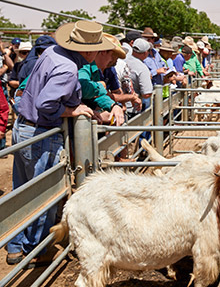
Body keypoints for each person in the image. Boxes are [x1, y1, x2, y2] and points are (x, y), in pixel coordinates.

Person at [6, 20, 115, 266]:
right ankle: (36, 249)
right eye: (98, 48)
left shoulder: (54, 52)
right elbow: (46, 104)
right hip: (40, 132)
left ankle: (14, 247)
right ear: (89, 51)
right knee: (45, 194)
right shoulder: (67, 68)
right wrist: (73, 111)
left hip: (23, 127)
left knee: (22, 190)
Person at [78, 33, 126, 126]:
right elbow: (82, 87)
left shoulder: (94, 70)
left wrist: (113, 105)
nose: (111, 61)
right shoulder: (85, 66)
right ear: (103, 51)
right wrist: (100, 86)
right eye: (112, 56)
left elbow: (97, 95)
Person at [124, 38, 153, 116]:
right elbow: (146, 93)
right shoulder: (142, 68)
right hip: (133, 108)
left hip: (120, 105)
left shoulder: (122, 59)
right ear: (145, 52)